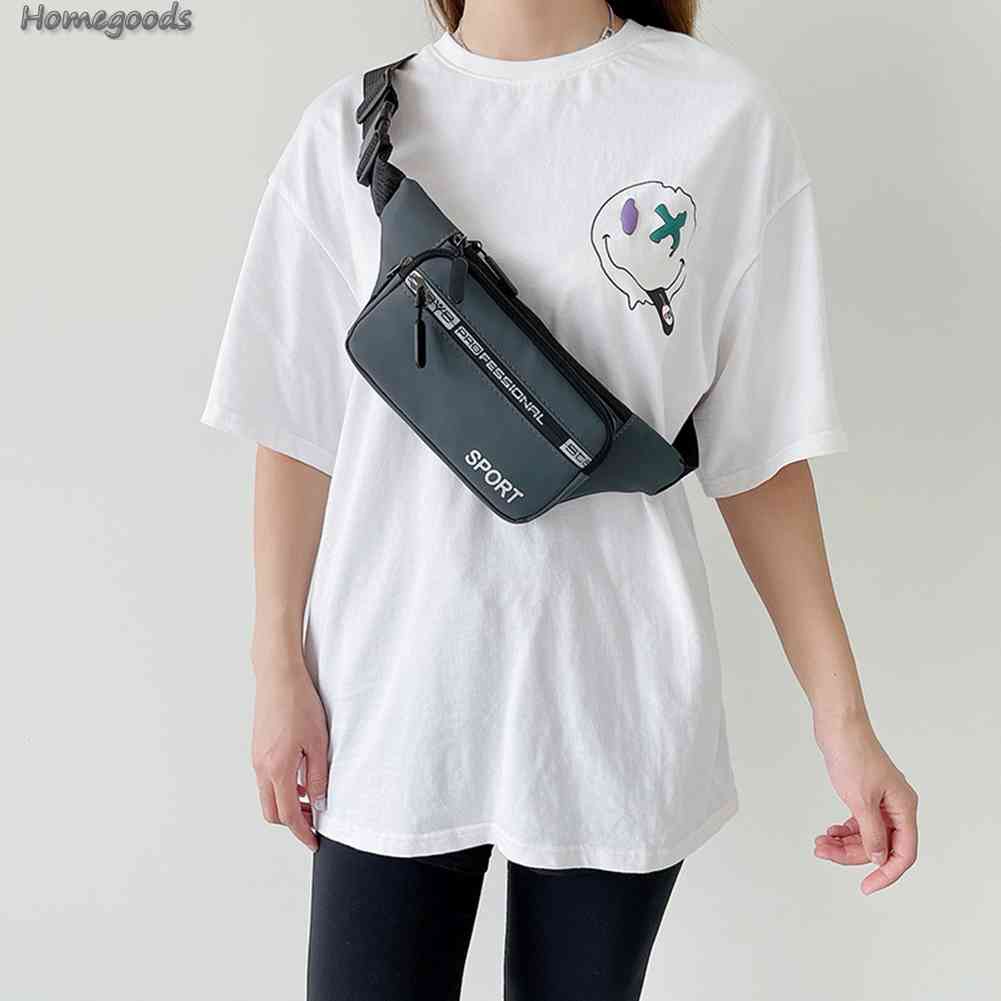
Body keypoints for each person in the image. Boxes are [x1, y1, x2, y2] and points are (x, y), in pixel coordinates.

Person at [202, 2, 919, 998]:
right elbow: (294, 430)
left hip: (614, 706)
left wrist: (844, 721)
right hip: (386, 702)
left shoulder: (720, 117)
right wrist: (275, 665)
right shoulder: (354, 132)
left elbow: (757, 455)